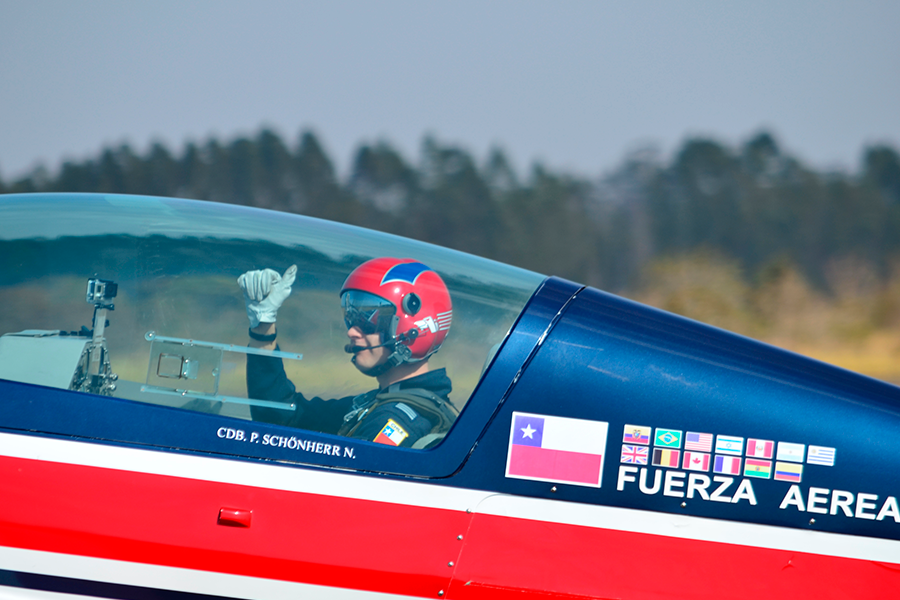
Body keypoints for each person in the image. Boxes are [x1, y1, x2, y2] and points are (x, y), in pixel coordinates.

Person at [239, 257, 457, 448]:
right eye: (351, 318)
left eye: (370, 322)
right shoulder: (378, 403)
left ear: (414, 330)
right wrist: (263, 329)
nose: (352, 331)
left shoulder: (395, 421)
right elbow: (285, 418)